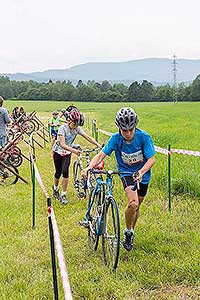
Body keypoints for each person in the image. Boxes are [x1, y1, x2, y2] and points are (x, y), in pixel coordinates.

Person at [81, 107, 155, 251]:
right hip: (126, 173)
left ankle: (130, 232)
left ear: (135, 127)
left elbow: (151, 159)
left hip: (143, 174)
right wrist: (89, 167)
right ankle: (127, 232)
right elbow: (101, 155)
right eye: (124, 130)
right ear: (119, 128)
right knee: (133, 203)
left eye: (130, 130)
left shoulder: (144, 137)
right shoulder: (116, 139)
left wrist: (141, 171)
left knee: (137, 205)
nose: (127, 133)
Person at [52, 108, 101, 205]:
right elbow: (62, 144)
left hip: (67, 153)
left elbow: (87, 137)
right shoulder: (62, 128)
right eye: (74, 125)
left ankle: (63, 194)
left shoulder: (77, 128)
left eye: (77, 125)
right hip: (58, 152)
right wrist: (74, 150)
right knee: (58, 172)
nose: (75, 127)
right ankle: (55, 188)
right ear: (69, 120)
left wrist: (98, 145)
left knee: (65, 171)